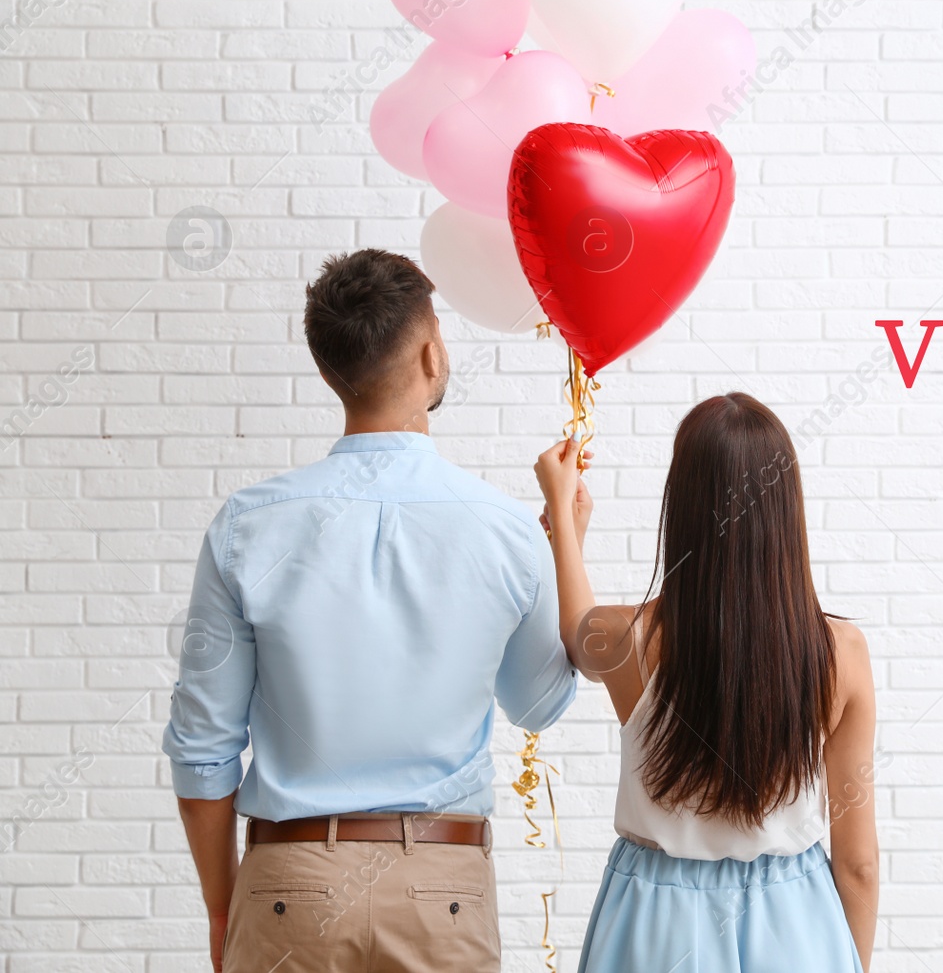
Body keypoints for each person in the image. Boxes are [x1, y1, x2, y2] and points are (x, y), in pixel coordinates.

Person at [161, 249, 577, 972]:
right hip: (441, 891)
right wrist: (563, 541)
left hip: (288, 887)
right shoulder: (505, 529)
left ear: (330, 372)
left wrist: (227, 909)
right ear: (431, 354)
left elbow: (204, 755)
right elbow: (538, 704)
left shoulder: (247, 525)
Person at [534, 392, 879, 972]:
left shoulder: (628, 640)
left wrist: (565, 520)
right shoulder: (840, 652)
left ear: (684, 506)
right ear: (786, 507)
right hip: (795, 919)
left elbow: (573, 632)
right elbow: (859, 865)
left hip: (654, 919)